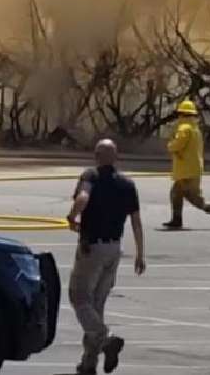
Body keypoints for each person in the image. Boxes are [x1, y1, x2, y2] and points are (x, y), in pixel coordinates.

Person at [67, 139, 146, 375]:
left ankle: (105, 339)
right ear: (116, 157)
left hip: (93, 248)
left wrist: (72, 217)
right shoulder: (127, 185)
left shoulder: (90, 176)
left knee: (79, 298)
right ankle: (89, 363)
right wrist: (140, 253)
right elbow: (136, 221)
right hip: (114, 249)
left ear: (96, 156)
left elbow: (82, 198)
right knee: (96, 306)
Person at [162, 99, 210, 230]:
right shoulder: (195, 129)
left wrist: (170, 146)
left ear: (182, 114)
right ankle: (177, 219)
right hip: (193, 168)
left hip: (186, 170)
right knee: (178, 193)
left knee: (191, 197)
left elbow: (178, 144)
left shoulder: (184, 128)